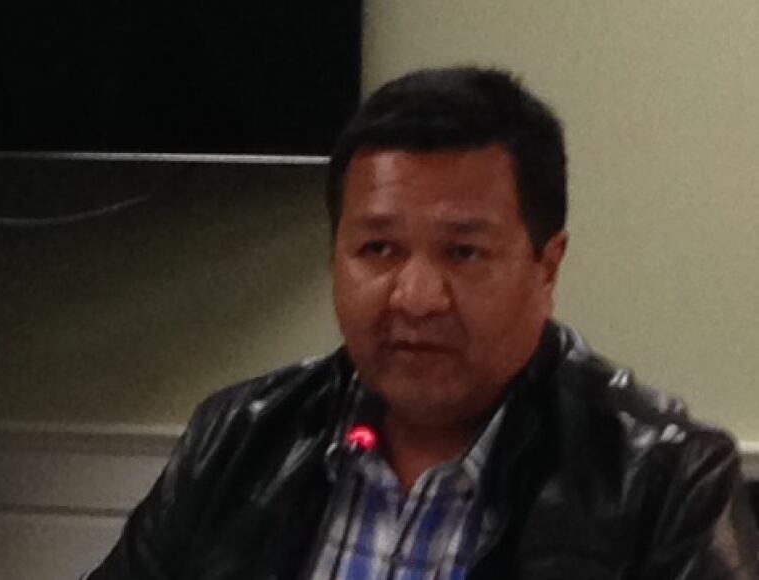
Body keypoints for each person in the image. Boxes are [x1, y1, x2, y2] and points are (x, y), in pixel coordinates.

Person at [86, 67, 758, 579]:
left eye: (463, 252)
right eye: (379, 250)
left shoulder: (666, 480)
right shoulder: (240, 439)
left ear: (546, 268)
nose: (415, 296)